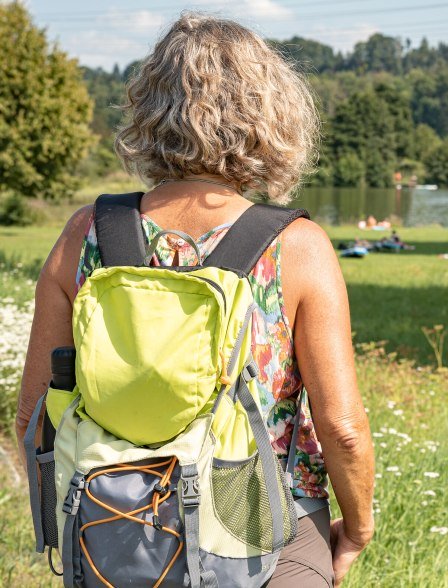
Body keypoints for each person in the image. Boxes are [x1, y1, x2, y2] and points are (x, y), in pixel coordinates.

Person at [15, 14, 374, 587]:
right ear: (272, 115)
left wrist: (69, 522)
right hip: (269, 530)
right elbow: (343, 428)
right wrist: (356, 526)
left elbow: (34, 417)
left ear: (147, 109)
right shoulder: (297, 248)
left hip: (115, 529)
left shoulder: (84, 235)